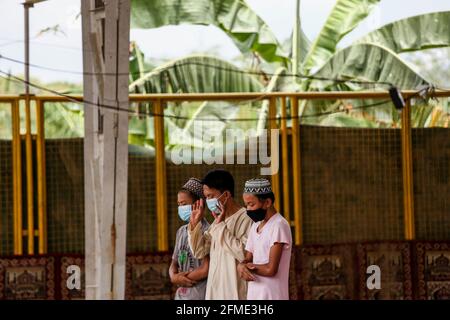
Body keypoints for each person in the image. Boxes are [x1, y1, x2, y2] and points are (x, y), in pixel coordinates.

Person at [188, 169, 253, 300]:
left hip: (236, 292)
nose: (208, 201)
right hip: (215, 291)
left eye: (211, 196)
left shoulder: (247, 218)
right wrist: (195, 225)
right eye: (206, 197)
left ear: (226, 194)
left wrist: (221, 226)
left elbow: (244, 254)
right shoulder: (215, 223)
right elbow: (199, 252)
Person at [238, 178, 292, 300]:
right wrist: (241, 265)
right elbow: (248, 258)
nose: (248, 209)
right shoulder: (255, 225)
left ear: (267, 202)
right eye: (246, 205)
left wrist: (247, 267)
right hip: (254, 295)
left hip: (272, 296)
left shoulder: (279, 225)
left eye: (251, 204)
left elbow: (270, 269)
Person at [169, 178, 210, 300]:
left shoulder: (208, 231)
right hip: (181, 296)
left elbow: (205, 269)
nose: (181, 207)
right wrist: (173, 277)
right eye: (179, 204)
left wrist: (182, 278)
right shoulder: (181, 232)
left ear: (198, 204)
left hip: (201, 295)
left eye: (184, 204)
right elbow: (173, 263)